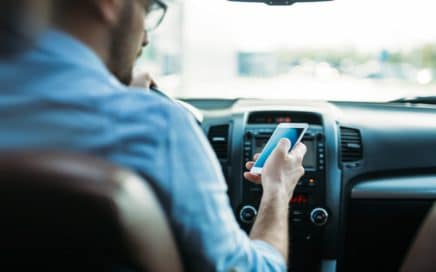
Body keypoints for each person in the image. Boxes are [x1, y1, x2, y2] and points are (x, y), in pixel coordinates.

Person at [0, 0, 307, 271]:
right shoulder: (155, 127)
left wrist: (116, 89)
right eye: (146, 10)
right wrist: (277, 188)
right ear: (110, 3)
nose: (145, 37)